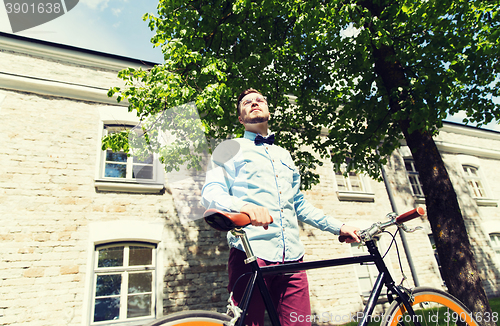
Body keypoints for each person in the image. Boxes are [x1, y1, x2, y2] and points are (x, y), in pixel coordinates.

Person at [201, 88, 360, 326]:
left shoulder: (284, 154)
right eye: (247, 102)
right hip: (251, 255)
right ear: (240, 118)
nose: (254, 103)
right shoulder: (228, 148)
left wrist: (339, 227)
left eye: (259, 100)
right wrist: (244, 207)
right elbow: (211, 192)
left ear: (268, 110)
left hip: (294, 260)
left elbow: (299, 205)